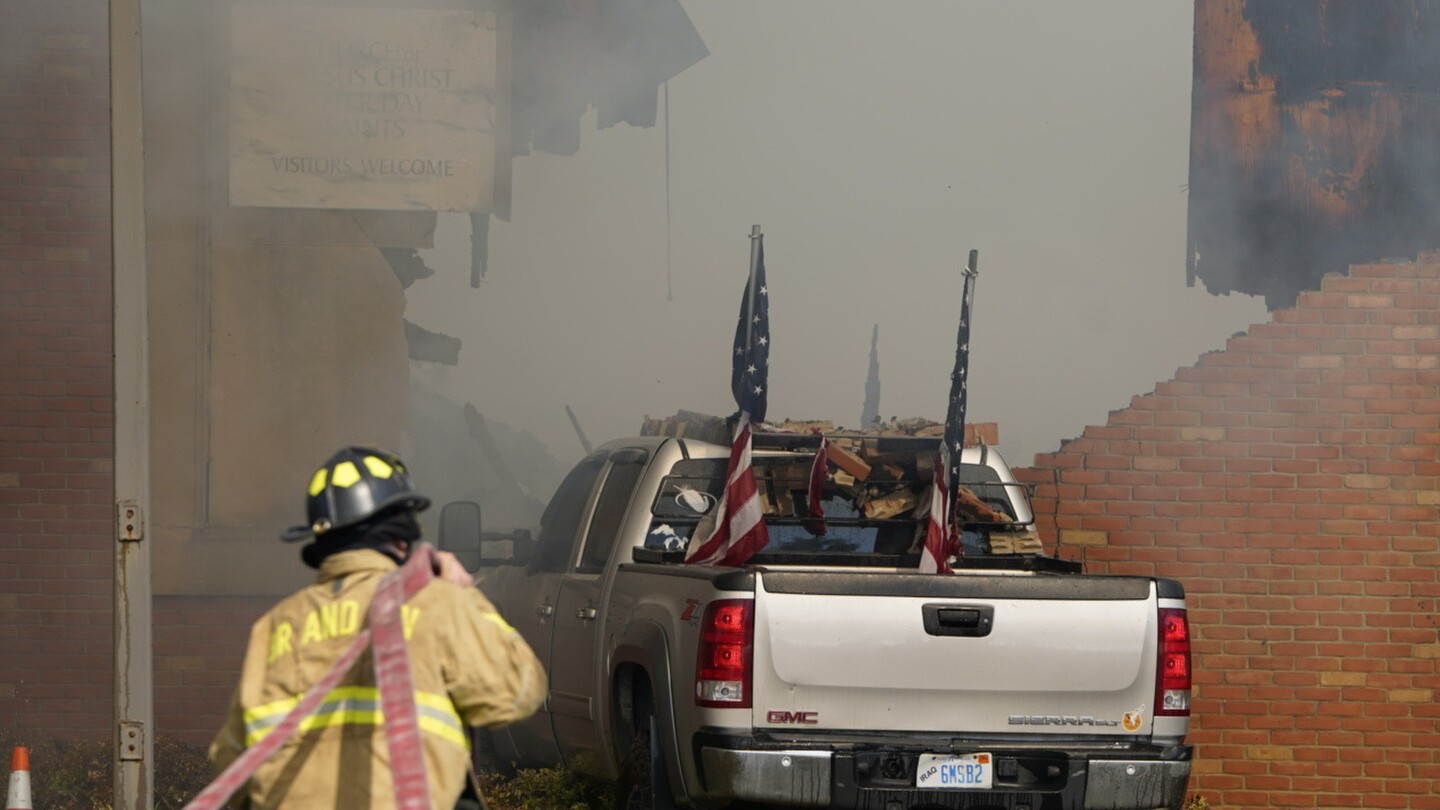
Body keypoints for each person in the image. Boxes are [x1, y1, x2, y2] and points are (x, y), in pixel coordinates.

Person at [209, 446, 545, 808]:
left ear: (321, 539)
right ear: (401, 535)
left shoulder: (274, 627)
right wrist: (468, 598)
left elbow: (232, 763)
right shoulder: (437, 603)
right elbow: (516, 693)